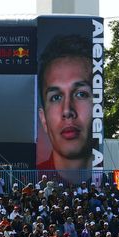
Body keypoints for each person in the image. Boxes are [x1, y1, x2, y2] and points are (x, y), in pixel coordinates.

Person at [36, 34, 93, 184]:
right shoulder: (32, 180)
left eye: (81, 94)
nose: (67, 111)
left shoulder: (109, 179)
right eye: (56, 97)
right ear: (43, 119)